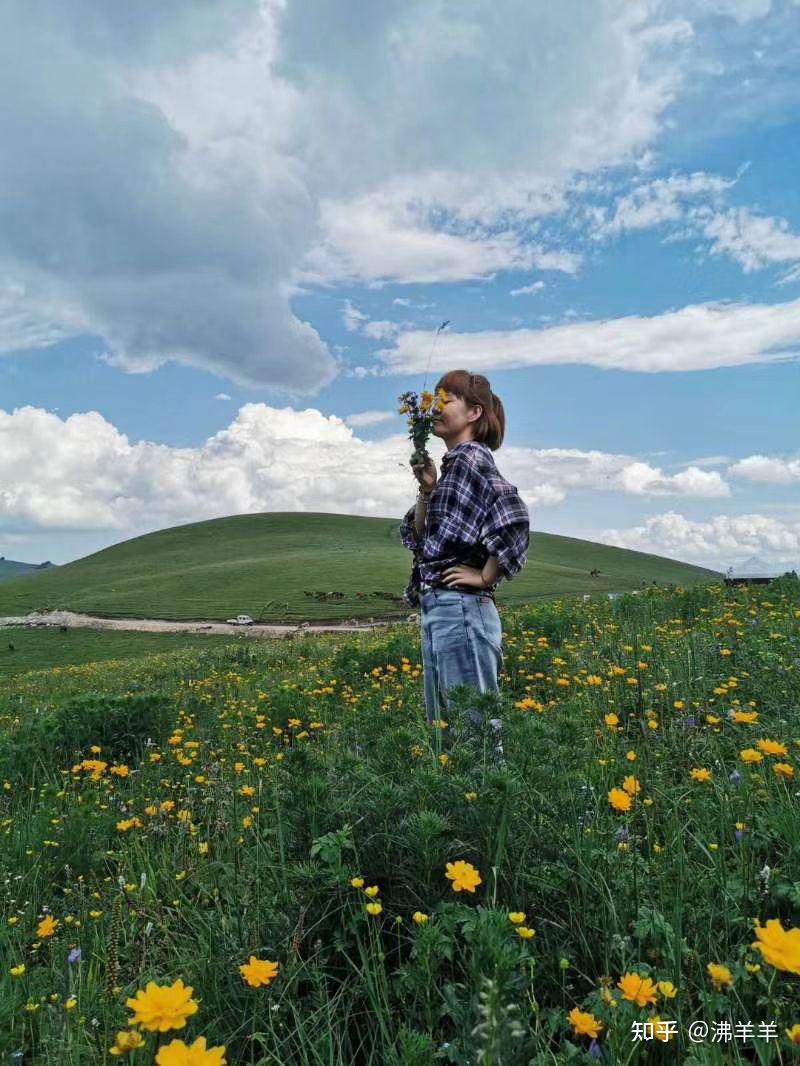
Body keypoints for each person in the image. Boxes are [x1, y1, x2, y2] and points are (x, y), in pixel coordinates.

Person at [399, 370, 530, 762]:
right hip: (441, 606)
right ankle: (466, 813)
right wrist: (427, 489)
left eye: (446, 399)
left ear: (474, 412)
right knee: (448, 727)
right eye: (434, 399)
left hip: (462, 608)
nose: (436, 407)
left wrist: (487, 573)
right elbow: (421, 535)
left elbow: (514, 515)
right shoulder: (452, 467)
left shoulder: (472, 459)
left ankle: (492, 816)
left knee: (474, 729)